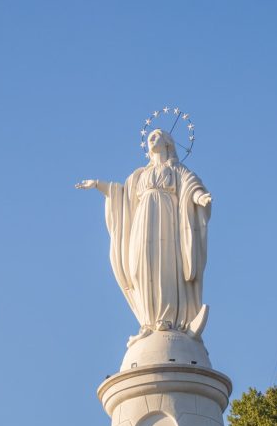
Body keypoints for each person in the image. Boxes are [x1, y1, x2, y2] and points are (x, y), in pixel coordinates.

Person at [76, 127, 213, 346]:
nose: (152, 138)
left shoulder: (176, 169)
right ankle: (149, 322)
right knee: (140, 266)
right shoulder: (139, 175)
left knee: (166, 267)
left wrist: (200, 198)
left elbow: (191, 186)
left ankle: (168, 320)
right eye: (150, 136)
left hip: (167, 222)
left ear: (168, 143)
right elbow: (121, 195)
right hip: (142, 223)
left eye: (157, 135)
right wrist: (98, 185)